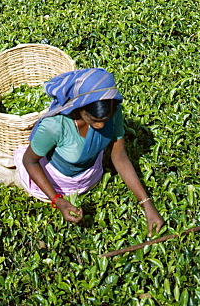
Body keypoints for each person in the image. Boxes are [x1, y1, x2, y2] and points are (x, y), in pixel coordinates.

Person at [15, 68, 164, 232]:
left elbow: (120, 157)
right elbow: (29, 161)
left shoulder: (114, 112)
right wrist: (58, 200)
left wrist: (147, 204)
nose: (100, 126)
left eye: (104, 120)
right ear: (79, 106)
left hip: (91, 174)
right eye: (94, 119)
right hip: (56, 180)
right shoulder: (55, 126)